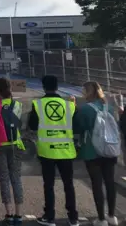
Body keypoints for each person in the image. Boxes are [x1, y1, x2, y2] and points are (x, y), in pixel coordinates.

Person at [28, 75, 79, 226]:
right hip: (66, 150)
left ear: (43, 87)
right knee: (68, 184)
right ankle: (73, 217)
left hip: (47, 151)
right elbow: (75, 126)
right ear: (57, 87)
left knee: (49, 184)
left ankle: (49, 216)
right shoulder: (69, 105)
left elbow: (32, 125)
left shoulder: (38, 104)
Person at [74, 81, 118, 226]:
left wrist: (74, 110)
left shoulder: (85, 109)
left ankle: (101, 218)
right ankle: (112, 216)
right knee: (110, 181)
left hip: (91, 150)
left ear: (88, 92)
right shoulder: (109, 107)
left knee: (97, 183)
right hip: (109, 149)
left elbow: (78, 128)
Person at [0, 78, 24, 225]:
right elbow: (19, 123)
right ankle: (19, 215)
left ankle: (8, 214)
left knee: (4, 178)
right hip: (15, 144)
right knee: (16, 178)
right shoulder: (18, 105)